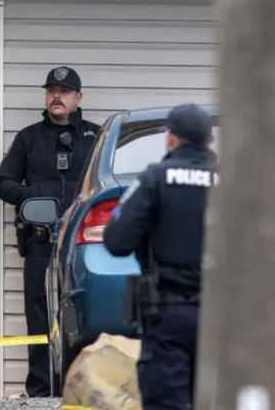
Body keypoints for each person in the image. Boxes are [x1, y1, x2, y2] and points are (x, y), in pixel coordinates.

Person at [0, 66, 100, 396]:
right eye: (52, 90)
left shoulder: (96, 138)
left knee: (84, 312)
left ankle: (80, 387)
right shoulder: (29, 138)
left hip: (83, 246)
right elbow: (4, 183)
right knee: (38, 314)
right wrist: (34, 196)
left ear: (77, 98)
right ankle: (40, 391)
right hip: (40, 241)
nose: (56, 96)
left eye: (64, 91)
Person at [103, 104, 215, 410]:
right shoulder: (233, 185)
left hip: (169, 315)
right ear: (210, 141)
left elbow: (115, 241)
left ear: (170, 138)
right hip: (223, 320)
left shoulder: (155, 180)